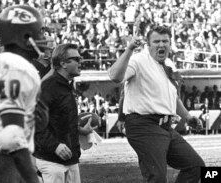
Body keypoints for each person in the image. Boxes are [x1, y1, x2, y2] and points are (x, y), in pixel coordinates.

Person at [108, 25, 205, 183]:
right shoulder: (138, 60)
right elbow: (114, 76)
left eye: (165, 41)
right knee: (158, 177)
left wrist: (187, 117)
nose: (161, 45)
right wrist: (129, 49)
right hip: (143, 124)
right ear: (148, 44)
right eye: (156, 41)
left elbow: (172, 98)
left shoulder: (169, 64)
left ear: (170, 43)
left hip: (165, 126)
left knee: (196, 166)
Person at [0, 5, 50, 183]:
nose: (44, 38)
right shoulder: (15, 69)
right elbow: (11, 135)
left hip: (7, 157)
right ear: (24, 38)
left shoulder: (10, 64)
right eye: (39, 32)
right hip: (0, 158)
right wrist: (32, 178)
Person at [34, 43, 96, 183]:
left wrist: (80, 130)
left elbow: (58, 120)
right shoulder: (48, 87)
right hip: (51, 161)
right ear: (63, 63)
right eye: (76, 59)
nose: (81, 62)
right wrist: (54, 145)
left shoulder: (66, 86)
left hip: (70, 159)